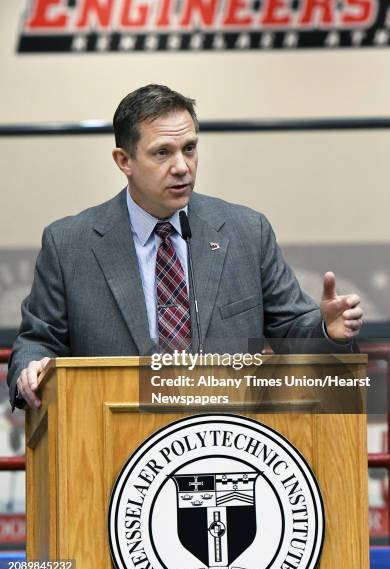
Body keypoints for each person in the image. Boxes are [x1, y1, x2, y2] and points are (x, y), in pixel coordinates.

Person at [8, 84, 363, 410]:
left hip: (226, 440)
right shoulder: (70, 244)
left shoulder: (245, 232)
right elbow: (37, 342)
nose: (182, 167)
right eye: (162, 153)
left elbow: (292, 332)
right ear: (124, 161)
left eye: (189, 148)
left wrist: (327, 331)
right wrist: (31, 368)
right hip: (113, 442)